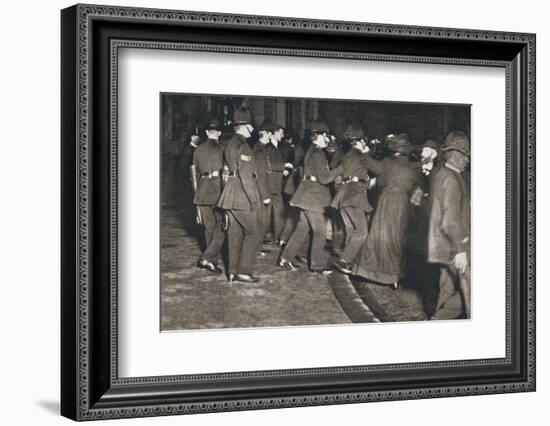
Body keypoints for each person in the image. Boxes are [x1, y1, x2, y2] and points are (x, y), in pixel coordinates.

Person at [352, 133, 422, 288]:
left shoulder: (387, 162)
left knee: (379, 235)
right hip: (402, 203)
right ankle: (395, 276)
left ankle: (373, 272)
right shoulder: (412, 166)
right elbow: (416, 185)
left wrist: (364, 151)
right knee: (397, 237)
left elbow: (370, 166)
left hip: (387, 200)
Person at [278, 121, 344, 273]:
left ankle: (285, 259)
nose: (327, 139)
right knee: (320, 231)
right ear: (319, 136)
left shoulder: (313, 151)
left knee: (302, 229)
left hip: (307, 196)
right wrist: (341, 168)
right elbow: (324, 178)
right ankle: (316, 265)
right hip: (313, 198)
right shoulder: (317, 154)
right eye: (325, 136)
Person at [427, 131, 471, 319]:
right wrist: (461, 249)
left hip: (442, 246)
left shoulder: (442, 174)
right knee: (471, 291)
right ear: (454, 155)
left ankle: (436, 326)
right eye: (464, 155)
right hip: (455, 246)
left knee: (448, 289)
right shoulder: (452, 179)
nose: (467, 160)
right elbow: (450, 220)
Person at [216, 107, 262, 283]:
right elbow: (246, 177)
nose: (253, 130)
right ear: (245, 127)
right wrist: (253, 200)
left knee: (234, 233)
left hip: (230, 194)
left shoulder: (230, 144)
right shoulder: (244, 147)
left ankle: (232, 271)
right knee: (253, 232)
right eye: (251, 126)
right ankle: (244, 270)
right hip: (241, 195)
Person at [330, 125, 374, 274]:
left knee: (351, 230)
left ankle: (349, 263)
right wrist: (368, 153)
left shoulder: (347, 156)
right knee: (362, 231)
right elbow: (376, 167)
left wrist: (364, 179)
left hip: (343, 197)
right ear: (360, 142)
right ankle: (344, 261)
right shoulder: (361, 156)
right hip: (354, 197)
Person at [192, 118, 225, 274]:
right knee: (223, 226)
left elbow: (194, 172)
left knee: (209, 228)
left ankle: (210, 261)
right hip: (218, 190)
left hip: (202, 191)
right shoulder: (222, 149)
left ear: (206, 132)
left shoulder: (198, 150)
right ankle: (208, 258)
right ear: (219, 132)